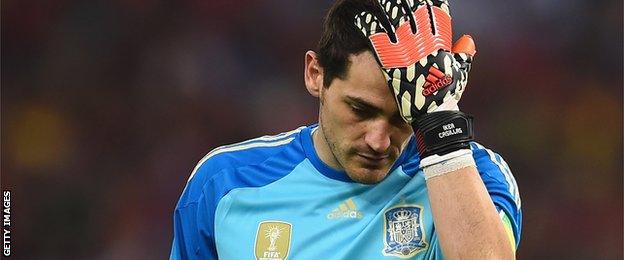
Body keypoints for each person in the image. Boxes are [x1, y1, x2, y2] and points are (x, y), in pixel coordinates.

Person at [169, 0, 522, 259]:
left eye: (403, 117)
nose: (378, 140)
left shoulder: (473, 174)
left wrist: (440, 125)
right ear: (315, 74)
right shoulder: (224, 184)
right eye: (360, 110)